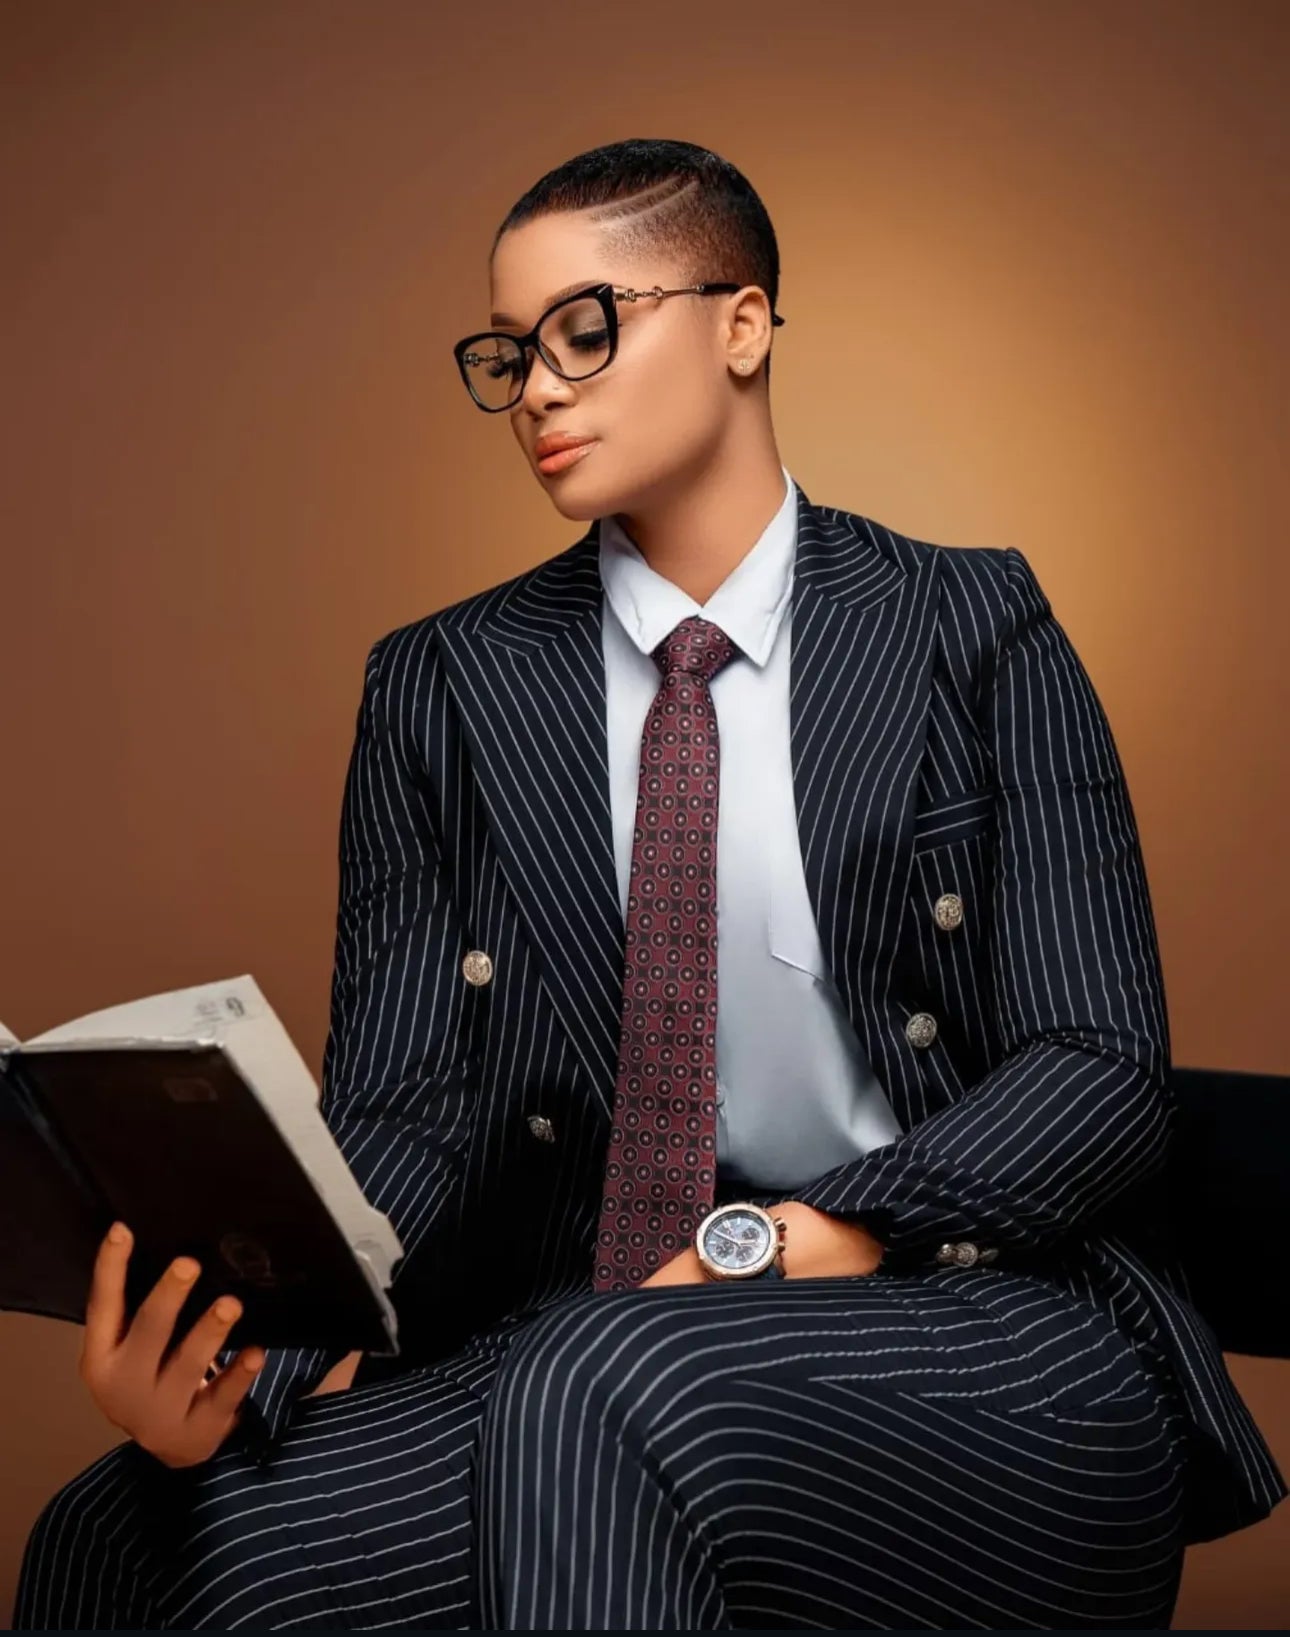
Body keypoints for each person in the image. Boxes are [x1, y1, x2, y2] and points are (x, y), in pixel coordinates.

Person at [15, 136, 1283, 1632]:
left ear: (741, 325)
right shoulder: (443, 684)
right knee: (117, 1531)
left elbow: (1099, 1065)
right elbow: (408, 1111)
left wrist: (807, 1235)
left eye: (586, 329)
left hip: (981, 1326)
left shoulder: (971, 624)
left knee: (592, 1377)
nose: (538, 390)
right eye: (511, 354)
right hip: (605, 1325)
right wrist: (248, 1354)